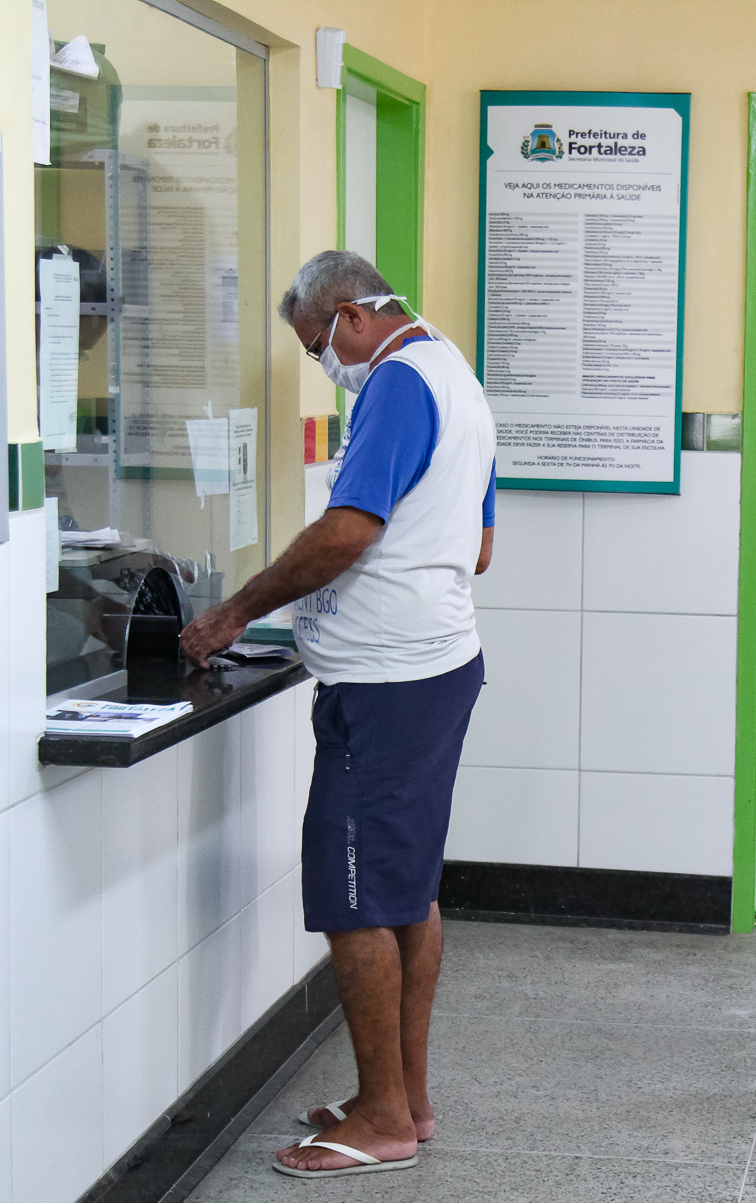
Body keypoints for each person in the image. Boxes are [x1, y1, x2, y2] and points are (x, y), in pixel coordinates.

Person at [179, 250, 496, 1180]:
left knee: (357, 896)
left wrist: (238, 610)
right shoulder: (454, 372)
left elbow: (350, 528)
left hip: (388, 686)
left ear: (356, 315)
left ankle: (383, 1120)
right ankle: (405, 1097)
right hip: (436, 668)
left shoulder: (397, 383)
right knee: (408, 891)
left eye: (321, 346)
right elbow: (478, 547)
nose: (327, 364)